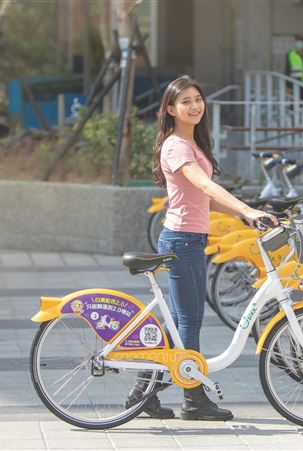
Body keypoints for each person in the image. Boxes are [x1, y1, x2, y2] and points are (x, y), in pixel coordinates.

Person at [128, 75, 276, 421]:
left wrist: (244, 215)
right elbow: (206, 187)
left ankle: (142, 393)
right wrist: (247, 209)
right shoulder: (177, 147)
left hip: (191, 239)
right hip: (181, 240)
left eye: (198, 99)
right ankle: (193, 399)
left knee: (181, 320)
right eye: (186, 101)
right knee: (189, 322)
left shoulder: (192, 143)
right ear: (170, 109)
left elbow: (204, 199)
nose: (194, 106)